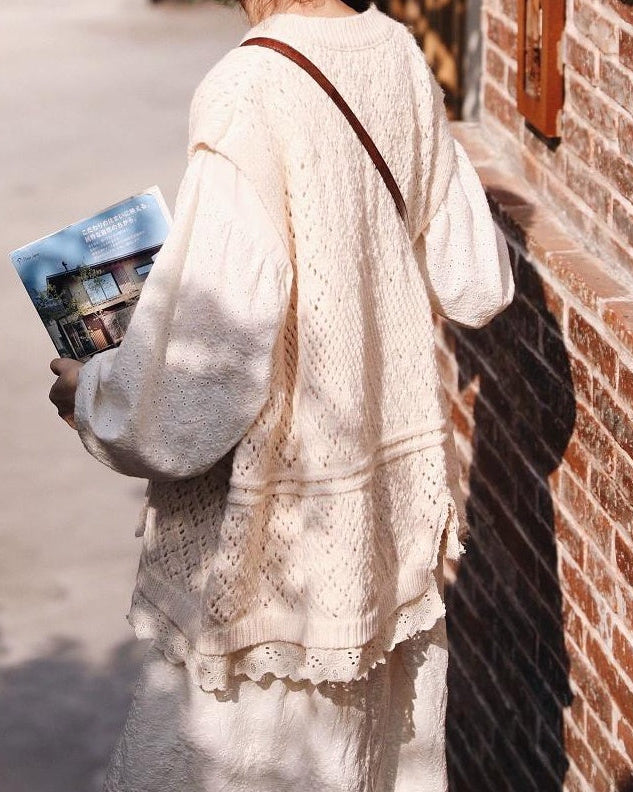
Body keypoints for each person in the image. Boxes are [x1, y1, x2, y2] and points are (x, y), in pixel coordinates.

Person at [49, 0, 515, 789]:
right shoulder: (396, 50)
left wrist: (92, 392)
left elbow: (183, 405)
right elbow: (477, 280)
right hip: (379, 537)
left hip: (276, 563)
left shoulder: (250, 88)